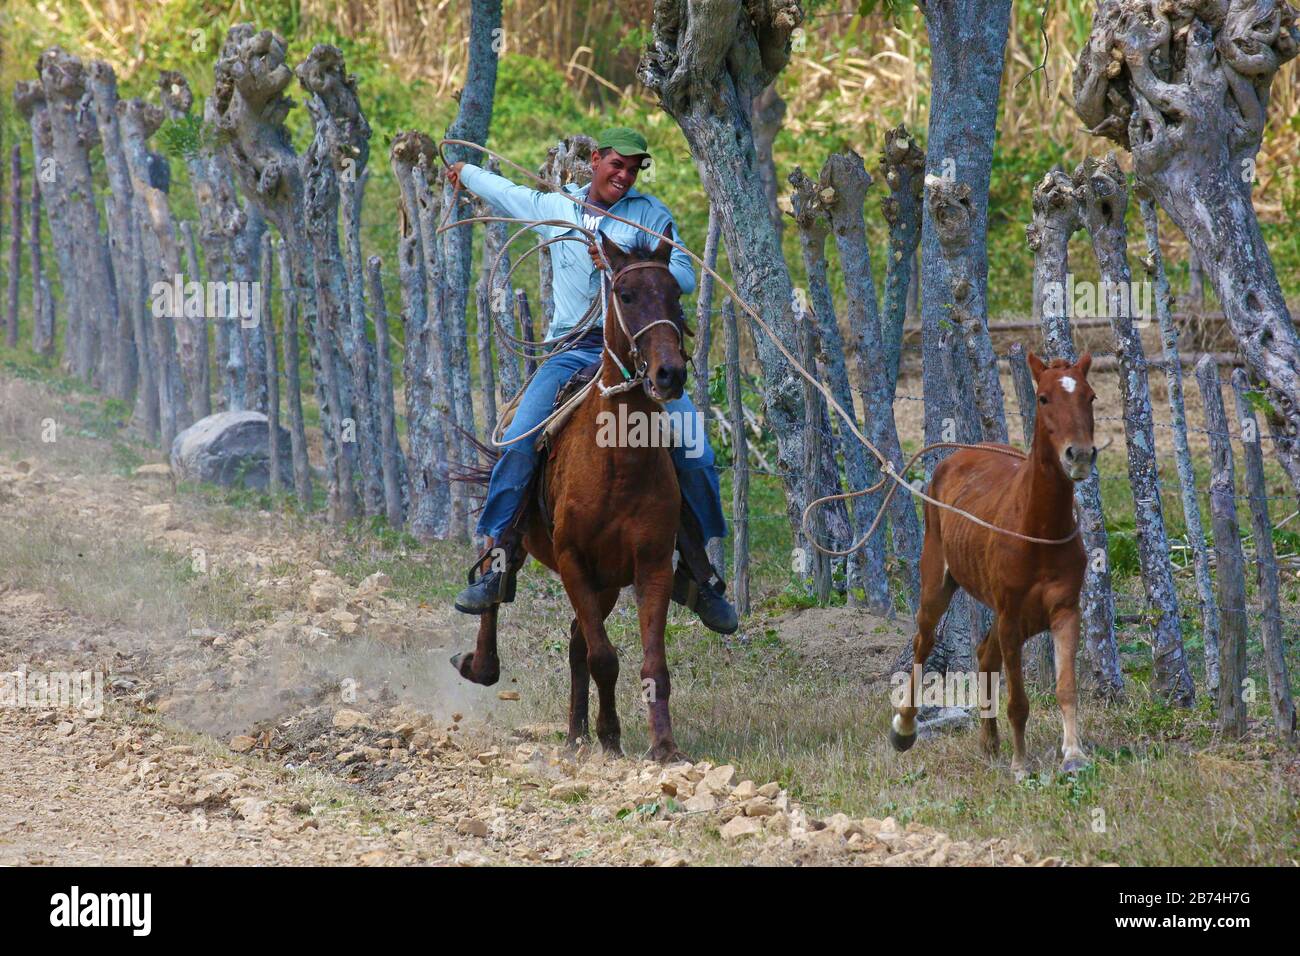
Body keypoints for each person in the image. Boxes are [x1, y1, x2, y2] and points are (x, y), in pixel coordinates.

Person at [446, 127, 737, 633]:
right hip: (570, 352)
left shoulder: (650, 217)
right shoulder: (558, 210)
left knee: (695, 448)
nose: (623, 176)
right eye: (616, 165)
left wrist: (627, 262)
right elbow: (506, 194)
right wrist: (463, 171)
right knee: (519, 439)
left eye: (633, 168)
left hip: (635, 356)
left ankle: (697, 569)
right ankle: (497, 555)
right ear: (597, 161)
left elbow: (684, 273)